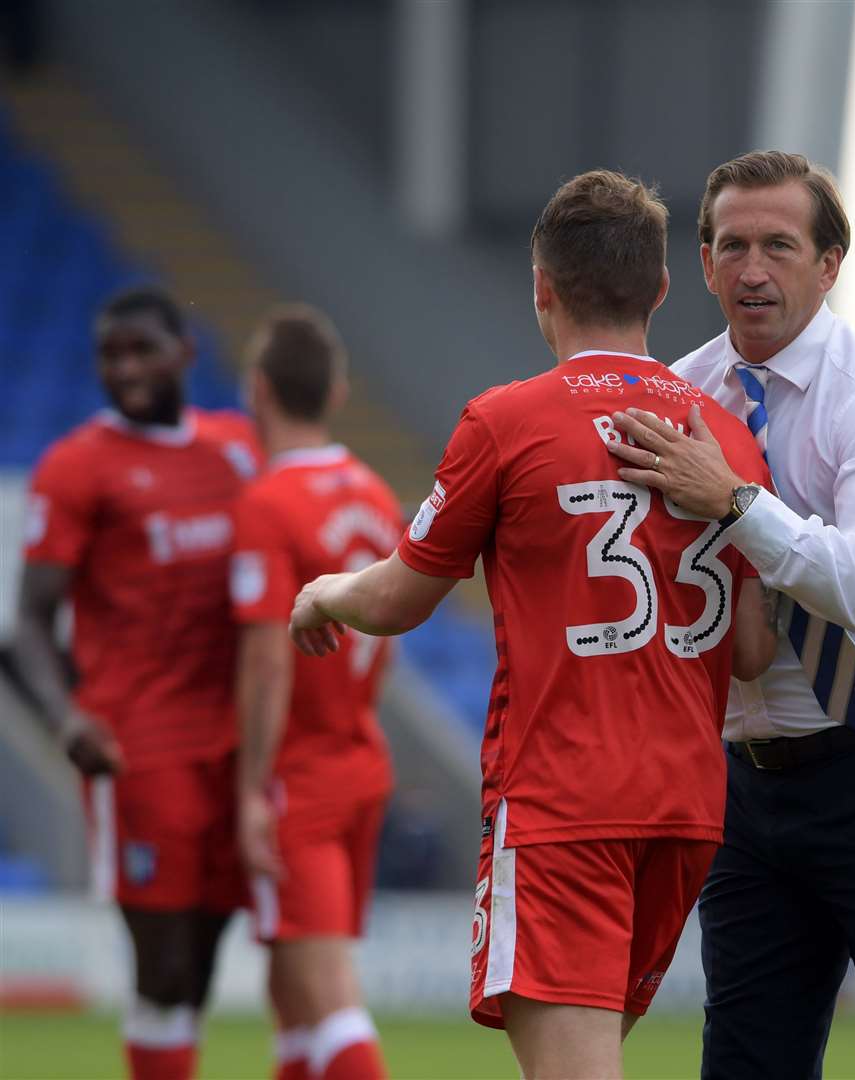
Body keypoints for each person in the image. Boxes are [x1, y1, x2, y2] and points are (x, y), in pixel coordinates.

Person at [282, 170, 777, 1080]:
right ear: (662, 289)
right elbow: (750, 651)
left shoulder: (507, 422)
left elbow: (396, 598)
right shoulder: (728, 439)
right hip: (684, 811)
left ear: (542, 286)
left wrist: (321, 592)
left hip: (565, 799)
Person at [604, 149, 855, 1080]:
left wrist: (738, 503)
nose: (753, 269)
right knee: (746, 1068)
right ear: (701, 265)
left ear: (829, 266)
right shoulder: (674, 396)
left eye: (779, 245)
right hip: (750, 781)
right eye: (732, 245)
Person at [14, 286, 261, 1080]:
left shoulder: (234, 448)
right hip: (137, 749)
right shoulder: (75, 467)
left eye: (140, 350)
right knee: (160, 965)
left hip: (234, 746)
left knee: (198, 966)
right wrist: (66, 719)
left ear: (185, 352)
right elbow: (28, 619)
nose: (124, 369)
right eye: (109, 354)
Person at [231, 306, 401, 1080]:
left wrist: (249, 791)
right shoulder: (373, 493)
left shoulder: (268, 505)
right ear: (337, 392)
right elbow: (390, 631)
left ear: (257, 392)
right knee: (292, 997)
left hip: (298, 772)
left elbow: (268, 661)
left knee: (326, 994)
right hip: (361, 754)